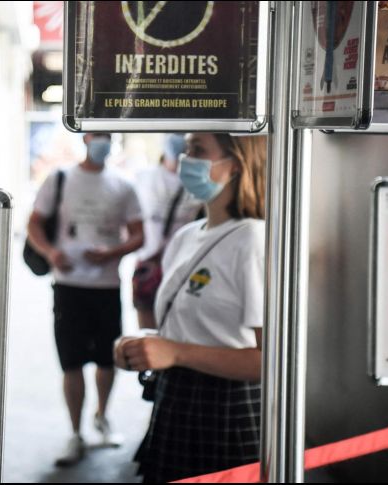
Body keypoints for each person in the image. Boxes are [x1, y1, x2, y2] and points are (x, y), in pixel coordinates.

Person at [114, 133, 267, 483]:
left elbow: (268, 360)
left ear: (236, 163)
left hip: (227, 409)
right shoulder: (188, 235)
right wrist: (144, 347)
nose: (185, 160)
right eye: (186, 149)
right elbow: (186, 332)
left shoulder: (252, 239)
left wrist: (176, 353)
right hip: (176, 400)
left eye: (198, 150)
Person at [28, 132, 145, 467]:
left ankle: (102, 417)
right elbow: (34, 223)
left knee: (108, 360)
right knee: (72, 361)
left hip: (106, 287)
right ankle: (75, 432)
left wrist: (113, 251)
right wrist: (51, 253)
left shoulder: (124, 184)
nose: (102, 142)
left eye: (108, 136)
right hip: (69, 286)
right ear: (85, 138)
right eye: (97, 136)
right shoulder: (61, 178)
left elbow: (139, 234)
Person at [133, 134, 204, 329]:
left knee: (179, 323)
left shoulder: (197, 183)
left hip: (182, 264)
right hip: (149, 262)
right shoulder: (144, 177)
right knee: (147, 324)